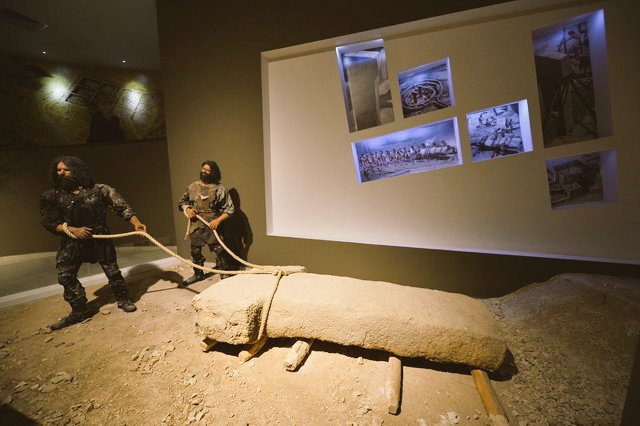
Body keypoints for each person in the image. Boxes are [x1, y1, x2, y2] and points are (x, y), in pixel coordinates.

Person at [40, 156, 147, 330]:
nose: (61, 173)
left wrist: (136, 222)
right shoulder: (52, 196)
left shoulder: (100, 190)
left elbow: (122, 207)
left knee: (112, 271)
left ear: (77, 170)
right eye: (58, 170)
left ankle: (122, 299)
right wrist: (73, 230)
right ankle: (79, 310)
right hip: (72, 240)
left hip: (100, 238)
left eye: (65, 169)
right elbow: (49, 221)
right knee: (65, 276)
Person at [178, 160, 235, 285]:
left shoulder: (220, 189)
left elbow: (229, 210)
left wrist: (218, 220)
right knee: (195, 251)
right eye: (203, 169)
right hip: (196, 224)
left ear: (213, 172)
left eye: (208, 170)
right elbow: (182, 202)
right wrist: (187, 209)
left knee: (219, 250)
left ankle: (223, 273)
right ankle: (198, 274)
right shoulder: (192, 187)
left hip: (212, 224)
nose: (204, 171)